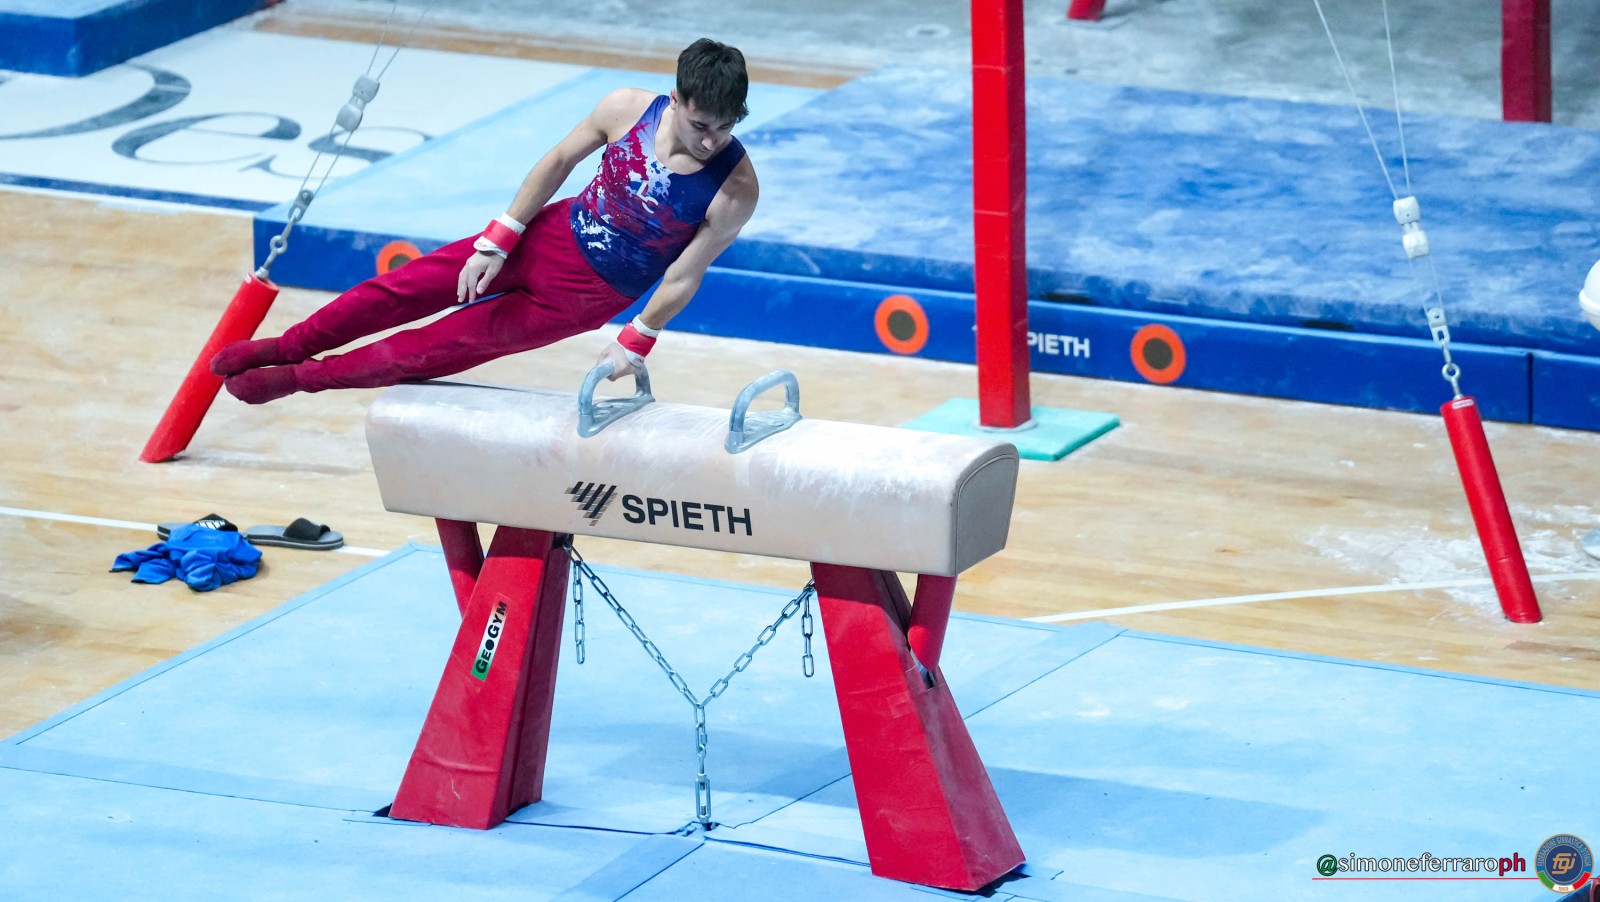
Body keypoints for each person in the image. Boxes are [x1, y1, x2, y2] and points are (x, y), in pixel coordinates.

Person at [211, 38, 758, 404]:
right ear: (675, 98)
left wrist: (638, 337)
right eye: (700, 125)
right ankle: (285, 346)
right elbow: (558, 161)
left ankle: (299, 378)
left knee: (430, 349)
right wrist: (501, 237)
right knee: (397, 291)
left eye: (725, 127)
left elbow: (684, 273)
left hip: (586, 297)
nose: (712, 141)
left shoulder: (734, 189)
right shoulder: (626, 108)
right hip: (545, 236)